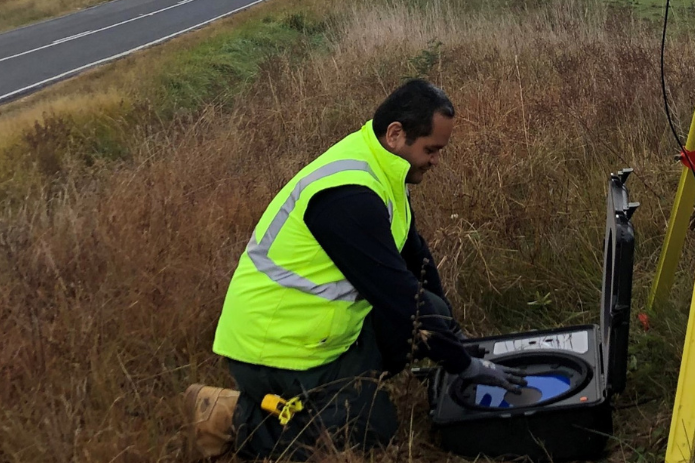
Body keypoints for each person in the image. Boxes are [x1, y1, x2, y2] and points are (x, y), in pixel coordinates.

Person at [185, 79, 524, 459]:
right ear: (396, 134)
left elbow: (417, 257)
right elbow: (397, 295)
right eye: (431, 150)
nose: (435, 160)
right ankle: (232, 414)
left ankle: (327, 401)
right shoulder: (348, 196)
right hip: (279, 346)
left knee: (436, 313)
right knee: (365, 440)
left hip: (325, 332)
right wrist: (463, 364)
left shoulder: (381, 168)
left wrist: (453, 337)